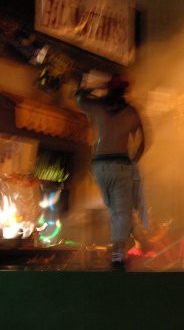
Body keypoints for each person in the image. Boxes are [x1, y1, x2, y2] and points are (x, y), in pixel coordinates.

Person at [75, 73, 146, 271]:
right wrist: (135, 160)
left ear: (109, 89)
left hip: (100, 167)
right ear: (125, 92)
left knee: (114, 209)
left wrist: (91, 88)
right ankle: (117, 257)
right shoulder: (132, 112)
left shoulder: (98, 107)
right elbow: (143, 140)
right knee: (120, 212)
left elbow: (79, 99)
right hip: (121, 164)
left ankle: (118, 251)